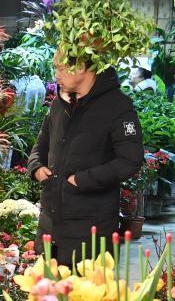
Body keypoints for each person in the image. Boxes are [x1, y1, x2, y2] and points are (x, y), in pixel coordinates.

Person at [27, 49, 144, 267]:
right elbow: (40, 145)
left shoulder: (118, 106)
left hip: (90, 229)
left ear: (80, 67)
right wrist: (36, 168)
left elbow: (130, 160)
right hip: (49, 226)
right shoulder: (58, 104)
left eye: (60, 68)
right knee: (46, 297)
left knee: (87, 296)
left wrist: (81, 180)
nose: (56, 75)